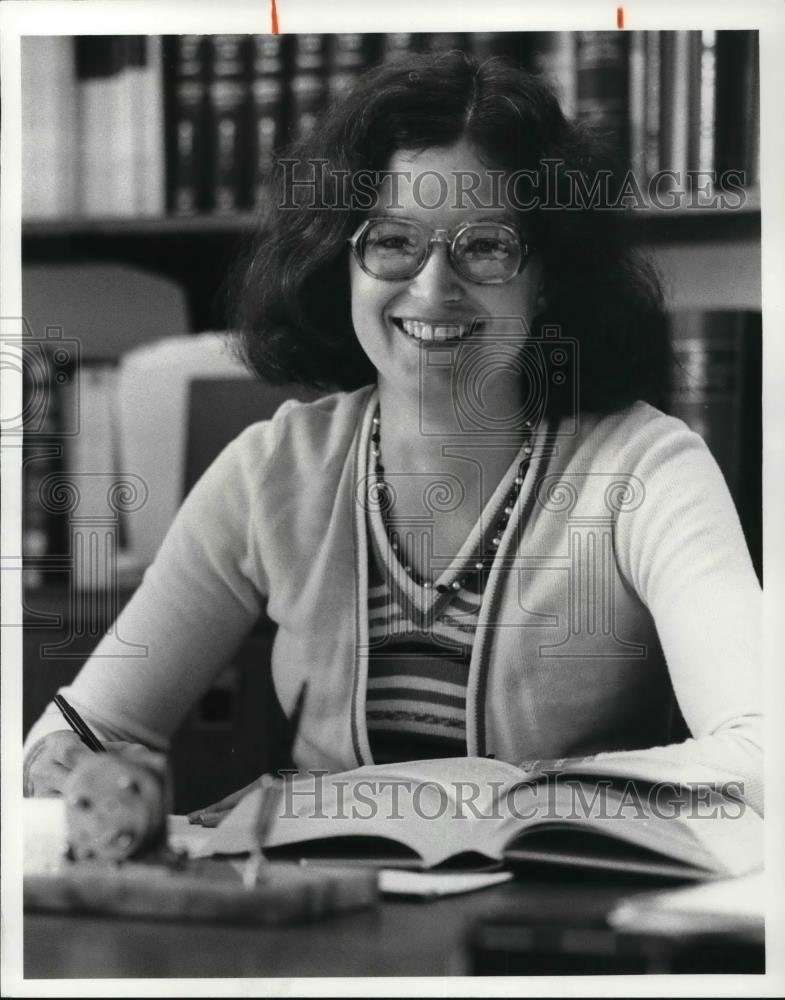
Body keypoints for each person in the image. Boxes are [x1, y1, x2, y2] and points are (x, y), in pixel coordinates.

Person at [24, 51, 762, 823]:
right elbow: (78, 734)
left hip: (555, 925)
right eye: (391, 241)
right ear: (339, 259)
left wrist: (433, 801)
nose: (432, 287)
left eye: (484, 246)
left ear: (545, 275)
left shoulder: (648, 468)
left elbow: (760, 750)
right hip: (328, 928)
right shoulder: (268, 472)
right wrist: (63, 771)